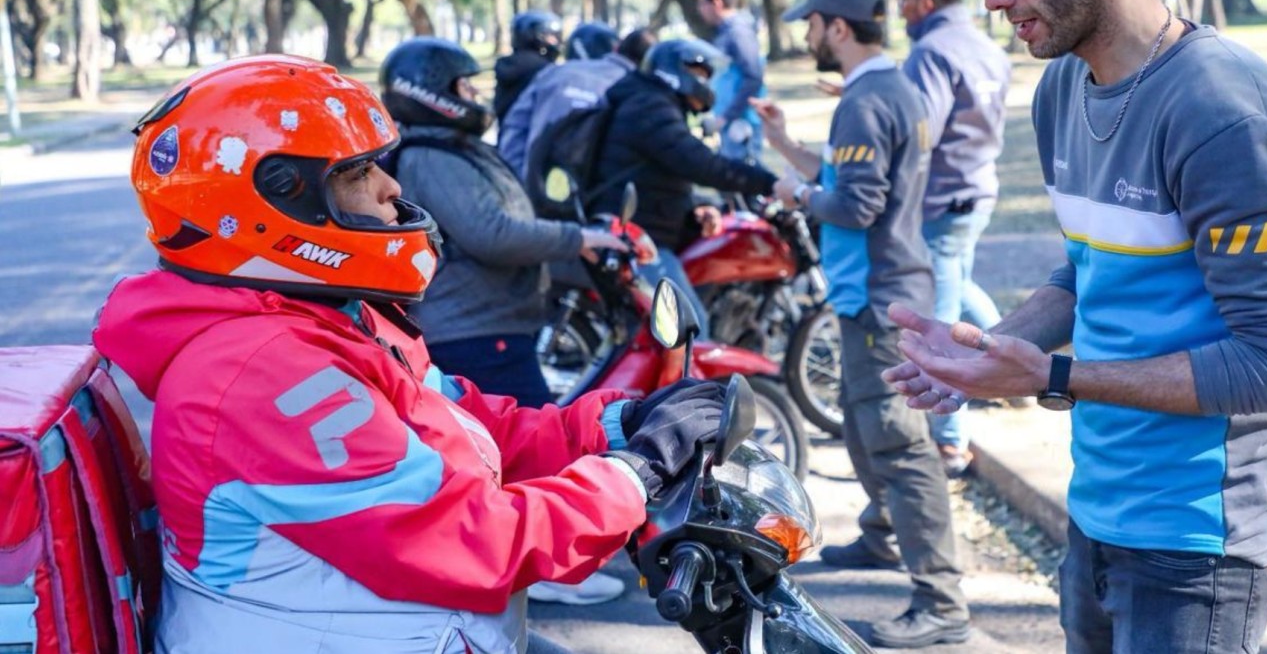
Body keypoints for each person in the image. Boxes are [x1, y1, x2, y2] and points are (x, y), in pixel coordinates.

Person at [92, 54, 726, 654]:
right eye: (356, 175)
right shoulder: (261, 373)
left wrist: (617, 424)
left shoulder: (327, 317)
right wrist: (634, 475)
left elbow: (474, 430)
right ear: (274, 205)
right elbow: (469, 541)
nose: (390, 186)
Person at [884, 0, 1267, 652]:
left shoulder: (1220, 111)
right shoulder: (1062, 89)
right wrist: (989, 347)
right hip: (1094, 517)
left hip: (1195, 550)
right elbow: (1087, 272)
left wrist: (1051, 375)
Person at [752, 0, 970, 649]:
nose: (807, 35)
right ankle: (881, 535)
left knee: (900, 443)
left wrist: (794, 194)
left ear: (838, 28)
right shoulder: (887, 89)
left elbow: (855, 203)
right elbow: (847, 177)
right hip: (877, 291)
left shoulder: (866, 99)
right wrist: (788, 145)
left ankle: (942, 600)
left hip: (882, 298)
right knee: (862, 419)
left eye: (812, 24)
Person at [379, 37, 635, 604]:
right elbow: (492, 233)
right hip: (473, 324)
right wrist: (578, 237)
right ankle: (543, 570)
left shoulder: (454, 147)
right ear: (430, 92)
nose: (474, 96)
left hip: (493, 319)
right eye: (463, 87)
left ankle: (542, 559)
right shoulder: (431, 155)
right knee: (526, 447)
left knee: (522, 438)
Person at [899, 0, 1014, 477]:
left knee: (941, 314)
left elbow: (919, 135)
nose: (899, 10)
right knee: (961, 282)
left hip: (942, 199)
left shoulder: (930, 52)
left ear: (924, 3)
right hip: (979, 190)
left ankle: (950, 443)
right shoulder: (987, 47)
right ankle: (1016, 367)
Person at [591, 38, 778, 338]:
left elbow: (655, 178)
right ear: (674, 71)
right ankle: (685, 386)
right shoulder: (650, 106)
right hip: (635, 240)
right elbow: (700, 163)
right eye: (699, 73)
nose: (704, 82)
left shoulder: (650, 100)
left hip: (642, 228)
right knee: (690, 332)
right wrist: (769, 181)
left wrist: (694, 209)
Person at [497, 26, 656, 180]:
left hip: (535, 187)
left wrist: (523, 182)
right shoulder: (637, 89)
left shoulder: (554, 73)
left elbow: (515, 127)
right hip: (599, 199)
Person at [697, 0, 767, 160]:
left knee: (746, 181)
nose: (700, 10)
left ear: (717, 3)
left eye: (703, 4)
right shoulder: (725, 32)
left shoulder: (738, 32)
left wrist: (727, 116)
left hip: (741, 122)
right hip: (729, 121)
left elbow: (753, 77)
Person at [493, 10, 562, 119]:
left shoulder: (508, 65)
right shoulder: (543, 70)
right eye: (549, 36)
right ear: (532, 37)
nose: (554, 41)